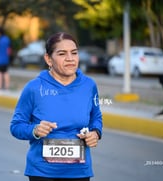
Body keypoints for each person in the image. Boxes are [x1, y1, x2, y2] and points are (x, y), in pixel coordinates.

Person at [10, 32, 103, 181]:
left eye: (74, 53)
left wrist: (95, 133)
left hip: (79, 172)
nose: (70, 59)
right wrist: (35, 130)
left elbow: (96, 116)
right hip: (42, 172)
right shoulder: (34, 88)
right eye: (62, 54)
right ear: (48, 59)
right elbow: (16, 126)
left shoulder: (89, 86)